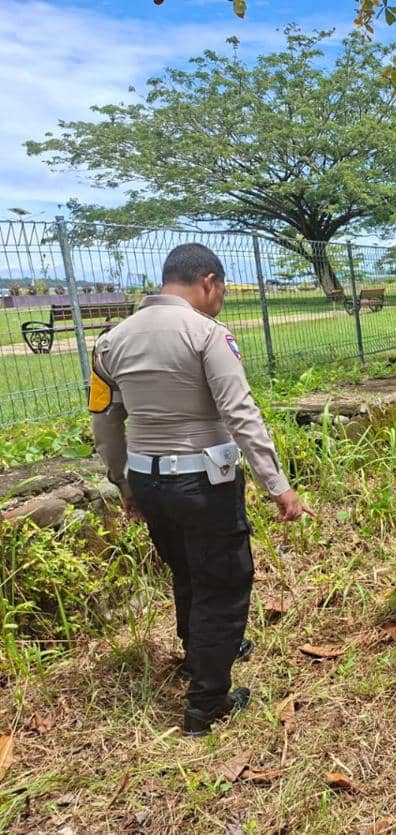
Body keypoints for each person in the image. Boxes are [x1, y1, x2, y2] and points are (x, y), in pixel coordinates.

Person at [89, 243, 313, 737]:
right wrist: (278, 485)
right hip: (203, 482)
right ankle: (207, 703)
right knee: (224, 584)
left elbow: (104, 422)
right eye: (224, 290)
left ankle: (199, 651)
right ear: (207, 282)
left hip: (148, 480)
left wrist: (123, 482)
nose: (223, 300)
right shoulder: (207, 335)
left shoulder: (110, 341)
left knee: (186, 569)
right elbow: (240, 413)